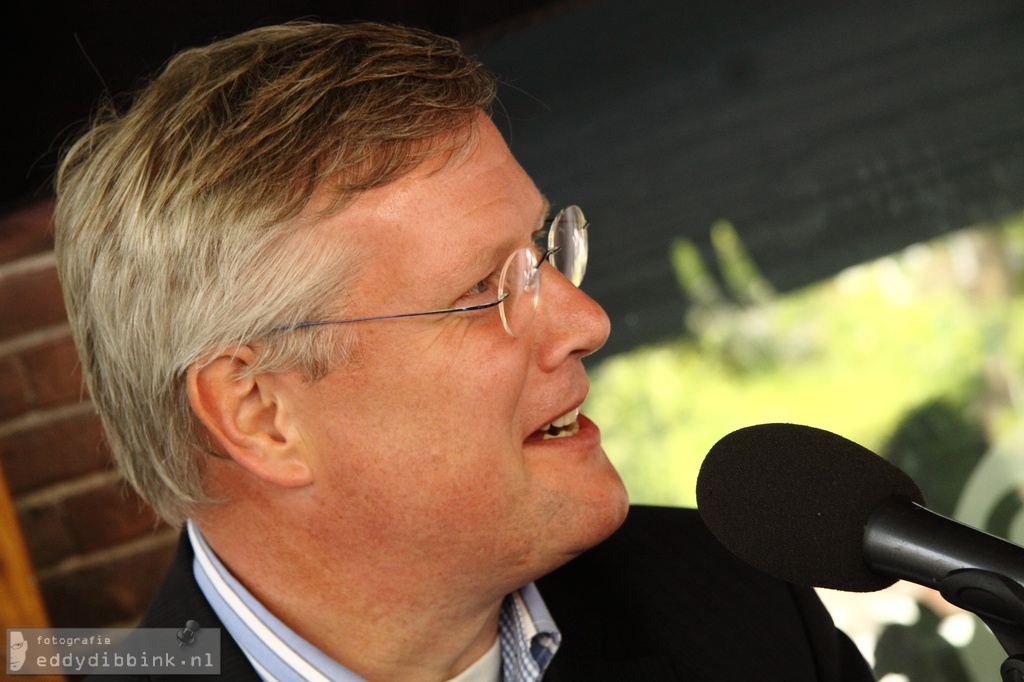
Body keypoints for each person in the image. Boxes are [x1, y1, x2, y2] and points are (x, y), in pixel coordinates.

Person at [55, 21, 874, 682]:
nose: (586, 320)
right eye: (485, 290)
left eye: (542, 253)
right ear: (260, 414)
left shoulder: (732, 599)